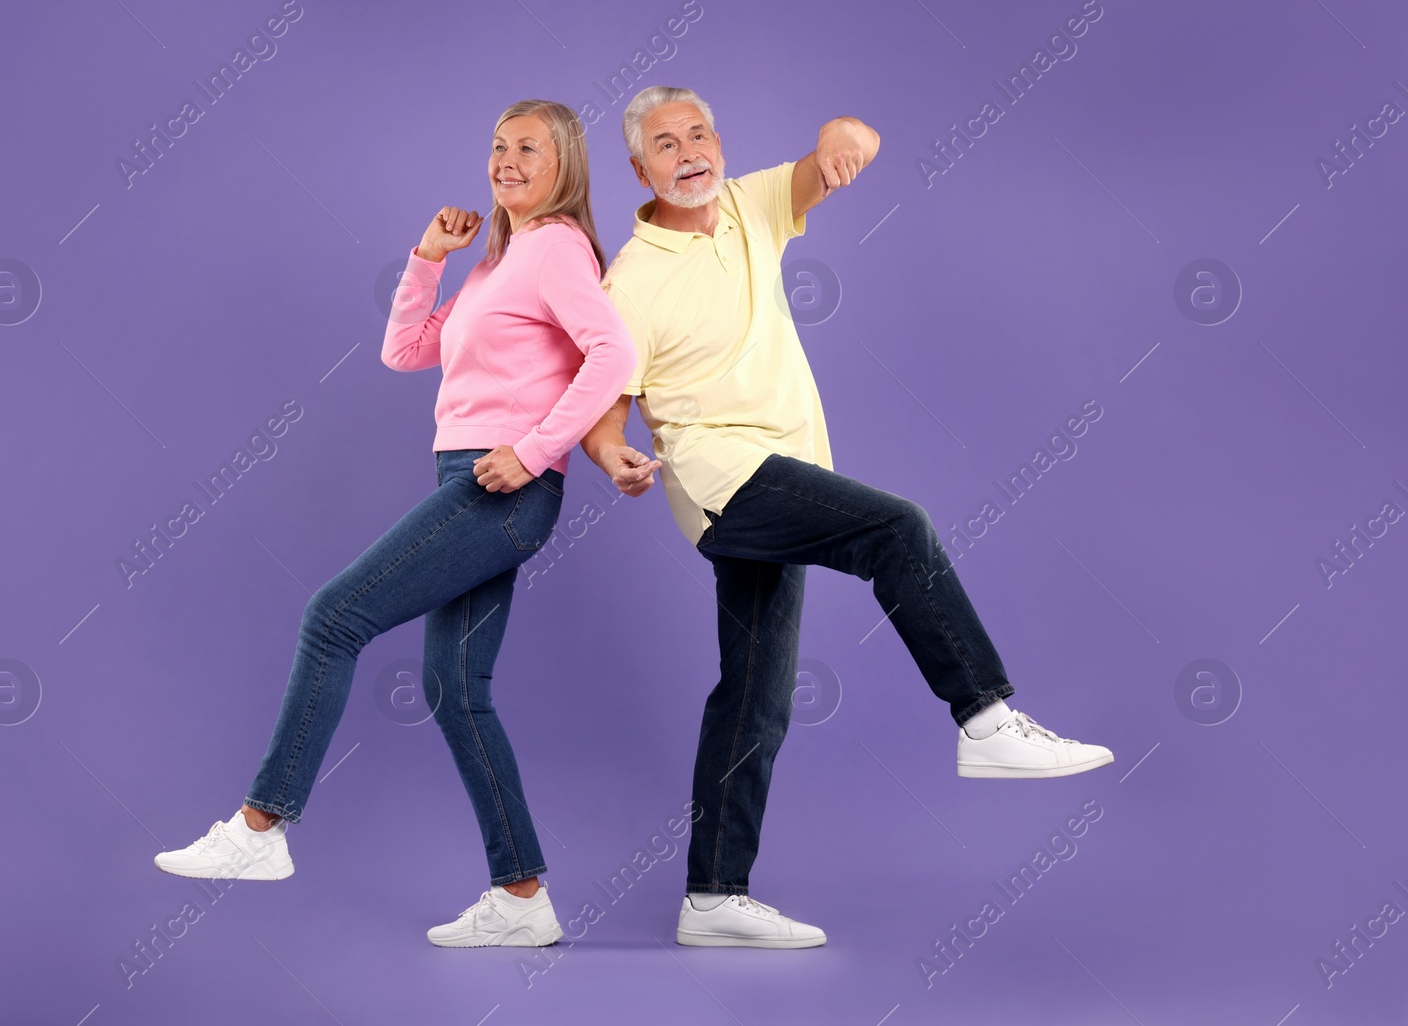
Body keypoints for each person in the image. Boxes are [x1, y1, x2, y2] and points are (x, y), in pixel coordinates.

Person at [581, 86, 1114, 949]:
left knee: (754, 696)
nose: (689, 151)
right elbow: (607, 401)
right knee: (896, 528)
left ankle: (712, 896)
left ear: (719, 140)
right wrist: (610, 454)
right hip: (724, 474)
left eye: (699, 132)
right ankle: (984, 716)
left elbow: (852, 132)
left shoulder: (751, 202)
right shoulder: (630, 279)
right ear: (639, 168)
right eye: (665, 143)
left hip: (786, 471)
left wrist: (840, 143)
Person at [154, 99, 636, 949]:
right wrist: (427, 258)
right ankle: (522, 895)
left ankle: (261, 829)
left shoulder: (557, 246)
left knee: (333, 616)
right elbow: (407, 349)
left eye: (529, 147)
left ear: (565, 166)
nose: (506, 160)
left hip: (503, 486)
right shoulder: (500, 261)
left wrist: (531, 451)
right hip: (472, 473)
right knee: (457, 690)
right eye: (497, 146)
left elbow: (614, 355)